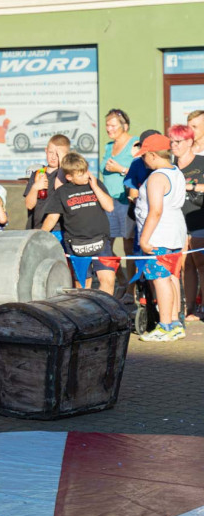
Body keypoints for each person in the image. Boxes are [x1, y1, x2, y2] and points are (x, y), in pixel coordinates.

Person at [134, 134, 188, 342]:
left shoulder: (157, 177)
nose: (142, 160)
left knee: (160, 278)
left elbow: (155, 211)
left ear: (153, 155)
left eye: (144, 156)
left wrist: (144, 240)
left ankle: (165, 325)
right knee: (172, 276)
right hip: (174, 232)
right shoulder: (176, 172)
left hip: (159, 235)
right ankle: (174, 323)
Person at [41, 153, 116, 293]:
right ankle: (84, 313)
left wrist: (95, 187)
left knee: (108, 279)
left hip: (101, 241)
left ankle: (106, 312)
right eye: (81, 174)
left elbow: (110, 207)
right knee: (83, 284)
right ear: (69, 177)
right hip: (77, 243)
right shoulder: (61, 192)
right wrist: (39, 236)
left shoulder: (96, 184)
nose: (86, 176)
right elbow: (52, 218)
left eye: (86, 171)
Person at [168, 125, 204, 320]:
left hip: (199, 219)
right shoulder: (170, 166)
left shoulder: (202, 162)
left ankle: (202, 307)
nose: (173, 146)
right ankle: (188, 308)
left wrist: (189, 185)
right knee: (184, 266)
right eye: (171, 141)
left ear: (190, 142)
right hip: (177, 222)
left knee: (201, 264)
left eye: (178, 141)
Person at [100, 109, 136, 289]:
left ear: (125, 126)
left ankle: (131, 290)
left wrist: (121, 169)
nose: (109, 129)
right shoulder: (108, 146)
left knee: (129, 248)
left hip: (125, 201)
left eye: (113, 125)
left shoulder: (134, 143)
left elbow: (141, 172)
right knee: (105, 246)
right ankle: (121, 280)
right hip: (108, 202)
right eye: (107, 125)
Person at [23, 134, 71, 230]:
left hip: (59, 229)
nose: (53, 157)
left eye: (58, 155)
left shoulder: (67, 175)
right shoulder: (37, 173)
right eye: (50, 152)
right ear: (46, 151)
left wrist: (63, 161)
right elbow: (29, 205)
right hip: (36, 228)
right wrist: (35, 187)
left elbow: (60, 188)